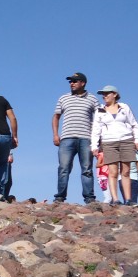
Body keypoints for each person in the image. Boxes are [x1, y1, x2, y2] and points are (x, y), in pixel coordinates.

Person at [52, 72, 100, 204]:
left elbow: (100, 119)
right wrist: (56, 134)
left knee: (87, 169)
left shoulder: (93, 99)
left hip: (86, 138)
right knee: (63, 168)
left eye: (75, 81)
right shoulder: (63, 98)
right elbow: (56, 116)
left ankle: (89, 197)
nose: (71, 83)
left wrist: (98, 138)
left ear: (82, 83)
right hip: (67, 138)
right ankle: (60, 197)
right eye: (70, 81)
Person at [90, 85, 138, 206]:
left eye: (107, 93)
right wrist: (94, 146)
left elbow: (134, 124)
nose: (104, 96)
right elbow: (96, 130)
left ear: (114, 94)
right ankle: (115, 199)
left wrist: (137, 139)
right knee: (113, 172)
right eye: (103, 94)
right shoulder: (100, 111)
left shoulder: (124, 107)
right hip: (109, 142)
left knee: (126, 171)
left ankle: (128, 199)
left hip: (126, 140)